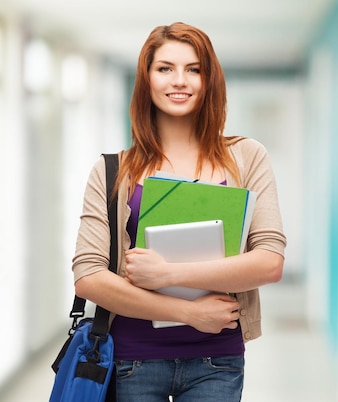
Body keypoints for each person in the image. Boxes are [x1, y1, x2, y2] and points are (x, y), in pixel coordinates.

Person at [72, 22, 287, 402]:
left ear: (209, 80)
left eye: (194, 69)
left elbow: (269, 261)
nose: (180, 81)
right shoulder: (111, 171)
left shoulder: (247, 156)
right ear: (147, 78)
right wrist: (188, 312)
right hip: (133, 361)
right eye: (165, 68)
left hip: (217, 360)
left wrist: (170, 273)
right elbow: (88, 276)